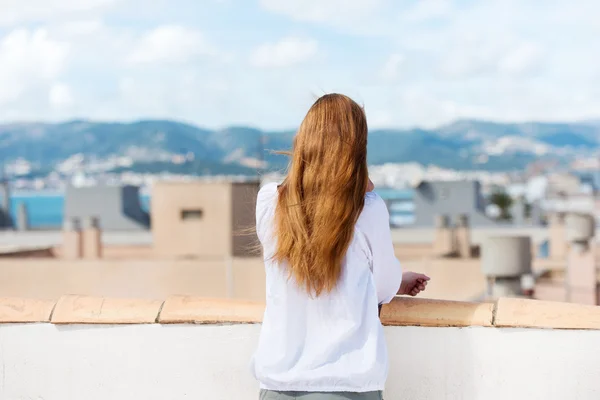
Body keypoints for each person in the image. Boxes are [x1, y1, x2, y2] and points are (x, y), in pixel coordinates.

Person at [250, 93, 430, 400]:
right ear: (357, 149)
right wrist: (400, 279)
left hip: (278, 384)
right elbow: (384, 288)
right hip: (346, 384)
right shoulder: (368, 209)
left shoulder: (270, 201)